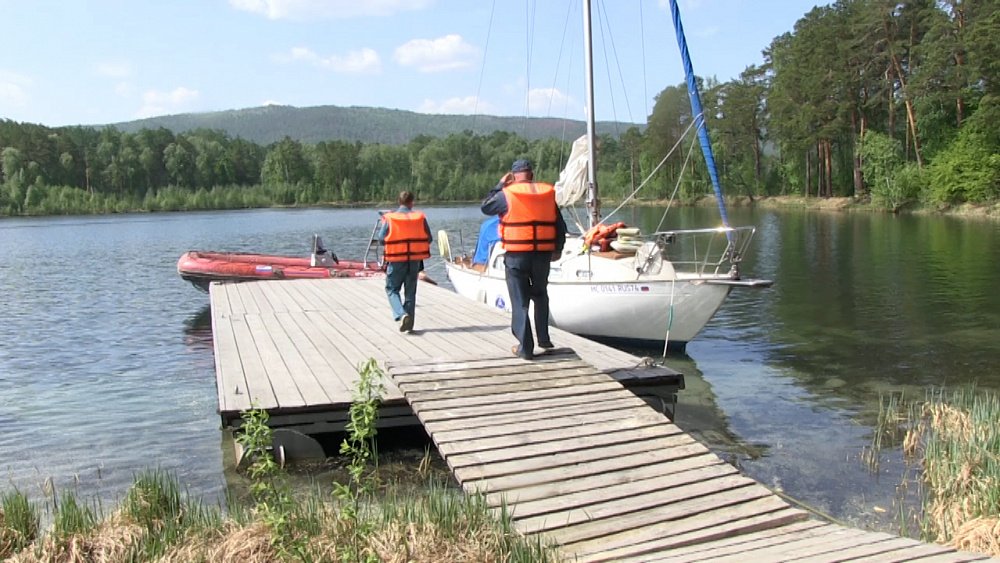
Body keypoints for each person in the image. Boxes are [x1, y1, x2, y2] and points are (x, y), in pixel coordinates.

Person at [481, 159, 567, 359]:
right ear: (532, 174)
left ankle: (525, 348)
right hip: (542, 254)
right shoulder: (547, 194)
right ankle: (544, 338)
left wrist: (500, 185)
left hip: (517, 256)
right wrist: (558, 248)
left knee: (520, 301)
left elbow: (486, 207)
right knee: (540, 295)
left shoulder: (507, 194)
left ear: (513, 175)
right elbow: (559, 224)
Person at [378, 191, 432, 333]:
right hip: (414, 260)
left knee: (391, 289)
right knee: (410, 293)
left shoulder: (390, 218)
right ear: (412, 202)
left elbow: (381, 238)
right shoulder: (420, 218)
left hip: (396, 259)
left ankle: (402, 315)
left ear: (399, 202)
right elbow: (429, 238)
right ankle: (409, 325)